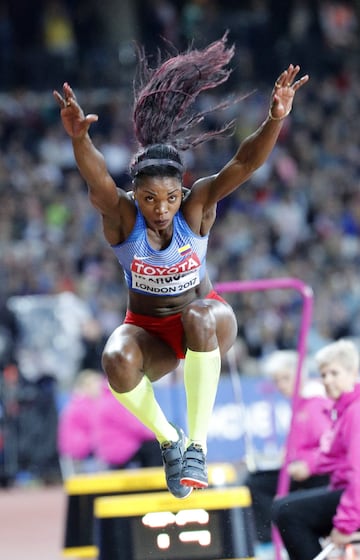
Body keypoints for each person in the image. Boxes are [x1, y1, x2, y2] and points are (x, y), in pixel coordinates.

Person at [53, 34, 309, 499]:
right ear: (137, 194)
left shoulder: (197, 207)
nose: (161, 208)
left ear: (182, 191)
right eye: (150, 198)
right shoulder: (122, 216)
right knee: (113, 358)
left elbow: (244, 163)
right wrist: (80, 137)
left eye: (170, 197)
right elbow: (97, 181)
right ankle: (170, 441)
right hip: (150, 331)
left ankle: (198, 445)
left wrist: (274, 119)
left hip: (207, 319)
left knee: (196, 315)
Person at [271, 339, 360, 560]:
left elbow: (358, 475)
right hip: (340, 487)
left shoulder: (354, 413)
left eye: (334, 373)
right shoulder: (342, 410)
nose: (327, 380)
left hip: (351, 496)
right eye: (323, 375)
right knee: (283, 508)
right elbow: (332, 456)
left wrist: (345, 524)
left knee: (287, 512)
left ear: (353, 373)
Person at [246, 350, 332, 549]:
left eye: (285, 378)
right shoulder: (300, 404)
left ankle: (270, 539)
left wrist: (308, 465)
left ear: (300, 374)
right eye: (277, 381)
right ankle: (269, 537)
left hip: (317, 474)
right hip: (299, 468)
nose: (281, 385)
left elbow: (329, 445)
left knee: (257, 484)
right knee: (257, 480)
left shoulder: (314, 404)